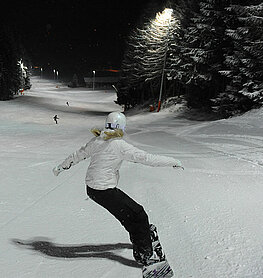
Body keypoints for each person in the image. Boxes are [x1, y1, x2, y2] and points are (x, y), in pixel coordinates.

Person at [52, 112, 183, 265]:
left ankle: (141, 237)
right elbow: (147, 158)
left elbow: (77, 155)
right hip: (103, 190)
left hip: (94, 189)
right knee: (139, 214)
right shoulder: (118, 145)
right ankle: (144, 255)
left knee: (130, 216)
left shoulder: (97, 140)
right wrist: (173, 161)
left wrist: (60, 168)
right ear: (121, 126)